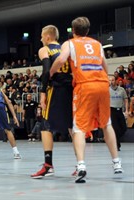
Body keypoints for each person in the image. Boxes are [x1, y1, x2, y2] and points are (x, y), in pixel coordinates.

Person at [50, 17, 123, 183]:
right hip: (103, 84)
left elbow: (61, 60)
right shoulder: (97, 44)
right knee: (107, 124)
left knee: (79, 128)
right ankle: (117, 163)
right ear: (88, 31)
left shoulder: (70, 43)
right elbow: (105, 64)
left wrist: (51, 73)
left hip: (85, 85)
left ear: (73, 31)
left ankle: (81, 165)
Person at [30, 25, 73, 179]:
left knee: (45, 124)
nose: (41, 39)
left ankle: (48, 166)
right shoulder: (65, 49)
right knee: (71, 126)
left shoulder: (45, 49)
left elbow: (47, 70)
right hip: (70, 89)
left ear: (47, 37)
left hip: (55, 88)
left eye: (42, 36)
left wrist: (42, 92)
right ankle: (80, 164)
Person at [109, 76, 128, 151]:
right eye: (110, 80)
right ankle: (117, 145)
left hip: (120, 110)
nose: (111, 82)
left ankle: (112, 138)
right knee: (116, 128)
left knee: (124, 128)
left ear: (116, 81)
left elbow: (125, 99)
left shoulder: (121, 89)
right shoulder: (107, 90)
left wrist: (126, 110)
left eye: (113, 80)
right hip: (112, 110)